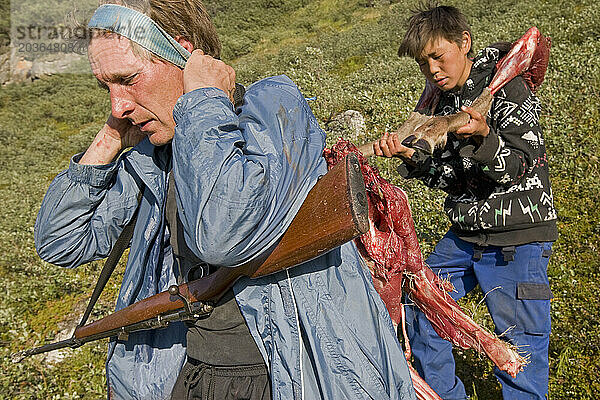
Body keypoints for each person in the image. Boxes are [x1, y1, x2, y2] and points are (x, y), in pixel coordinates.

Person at [34, 1, 416, 399]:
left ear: (183, 54)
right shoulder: (158, 156)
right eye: (106, 88)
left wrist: (201, 99)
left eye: (128, 79)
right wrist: (111, 137)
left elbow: (223, 234)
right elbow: (61, 242)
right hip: (192, 375)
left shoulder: (271, 108)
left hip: (287, 375)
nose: (117, 105)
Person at [373, 4, 557, 400]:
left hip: (516, 236)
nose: (433, 71)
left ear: (464, 43)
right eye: (424, 64)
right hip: (467, 234)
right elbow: (452, 179)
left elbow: (520, 166)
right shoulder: (441, 104)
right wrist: (414, 159)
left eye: (439, 57)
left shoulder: (507, 87)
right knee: (421, 304)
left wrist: (483, 137)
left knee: (519, 347)